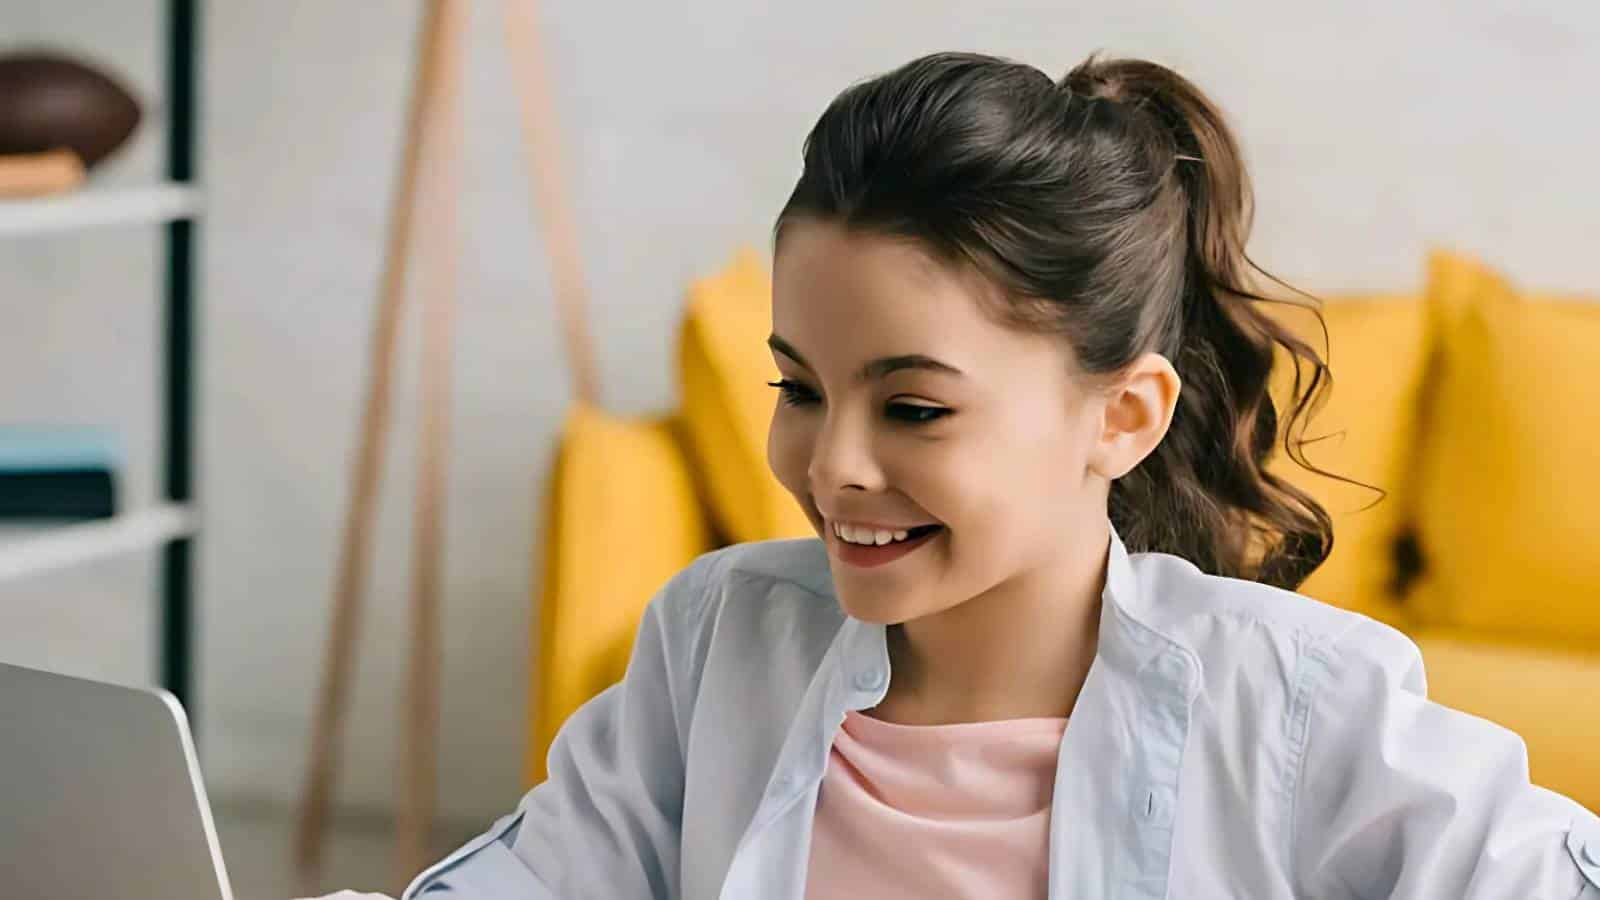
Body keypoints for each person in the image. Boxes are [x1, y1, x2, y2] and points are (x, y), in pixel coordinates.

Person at [307, 52, 1600, 900]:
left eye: (916, 406)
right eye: (800, 387)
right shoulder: (721, 639)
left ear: (1124, 416)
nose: (833, 465)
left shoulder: (1293, 699)